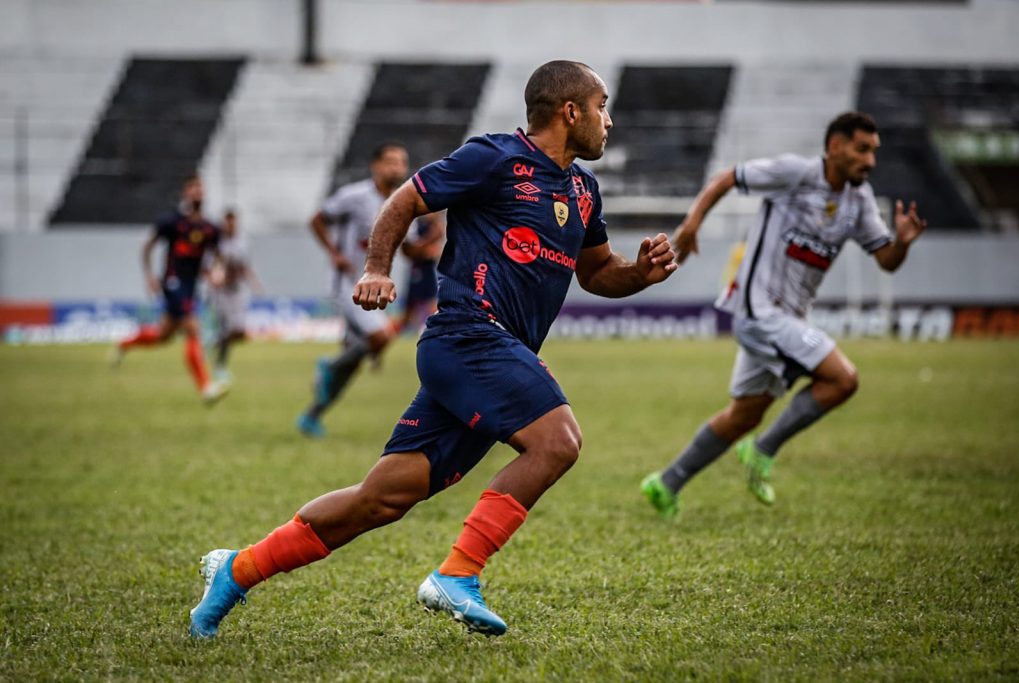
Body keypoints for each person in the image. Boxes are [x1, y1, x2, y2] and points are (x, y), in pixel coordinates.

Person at [189, 60, 678, 639]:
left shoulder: (583, 190)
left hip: (491, 356)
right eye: (602, 107)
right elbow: (404, 200)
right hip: (467, 336)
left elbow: (597, 273)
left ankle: (235, 570)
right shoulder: (494, 158)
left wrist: (639, 274)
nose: (609, 121)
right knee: (558, 440)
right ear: (570, 112)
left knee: (381, 499)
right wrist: (376, 268)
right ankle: (458, 573)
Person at [641, 112, 928, 520]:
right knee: (843, 379)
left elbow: (886, 260)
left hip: (788, 320)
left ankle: (666, 483)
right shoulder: (795, 173)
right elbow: (727, 177)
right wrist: (691, 225)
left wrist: (902, 243)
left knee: (745, 415)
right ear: (835, 147)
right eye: (862, 150)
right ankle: (762, 450)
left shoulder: (859, 201)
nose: (870, 161)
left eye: (874, 152)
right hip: (760, 311)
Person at [296, 143, 410, 438]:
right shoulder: (355, 196)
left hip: (371, 291)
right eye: (390, 161)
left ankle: (311, 416)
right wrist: (334, 252)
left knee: (354, 360)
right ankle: (328, 365)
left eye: (401, 163)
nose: (397, 168)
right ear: (376, 166)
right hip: (346, 284)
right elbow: (317, 219)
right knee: (380, 336)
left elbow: (405, 247)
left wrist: (431, 244)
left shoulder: (403, 201)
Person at [111, 173, 230, 404]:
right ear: (185, 193)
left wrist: (218, 271)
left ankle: (125, 343)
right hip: (173, 283)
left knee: (163, 336)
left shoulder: (209, 228)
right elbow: (147, 247)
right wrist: (148, 276)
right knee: (193, 328)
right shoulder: (172, 222)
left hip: (191, 286)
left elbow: (219, 256)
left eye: (200, 188)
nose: (198, 192)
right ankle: (206, 388)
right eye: (193, 188)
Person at [207, 209, 263, 381]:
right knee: (227, 328)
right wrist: (214, 278)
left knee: (239, 332)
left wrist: (254, 282)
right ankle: (220, 366)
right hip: (221, 292)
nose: (230, 226)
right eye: (227, 222)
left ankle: (215, 342)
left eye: (233, 222)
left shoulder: (242, 242)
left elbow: (244, 265)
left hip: (237, 290)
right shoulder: (217, 242)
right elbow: (210, 264)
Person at [394, 211, 445, 333]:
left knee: (432, 305)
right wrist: (425, 249)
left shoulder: (433, 226)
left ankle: (437, 331)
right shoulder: (419, 226)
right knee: (409, 313)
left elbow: (435, 249)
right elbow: (412, 250)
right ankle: (387, 333)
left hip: (428, 271)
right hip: (418, 272)